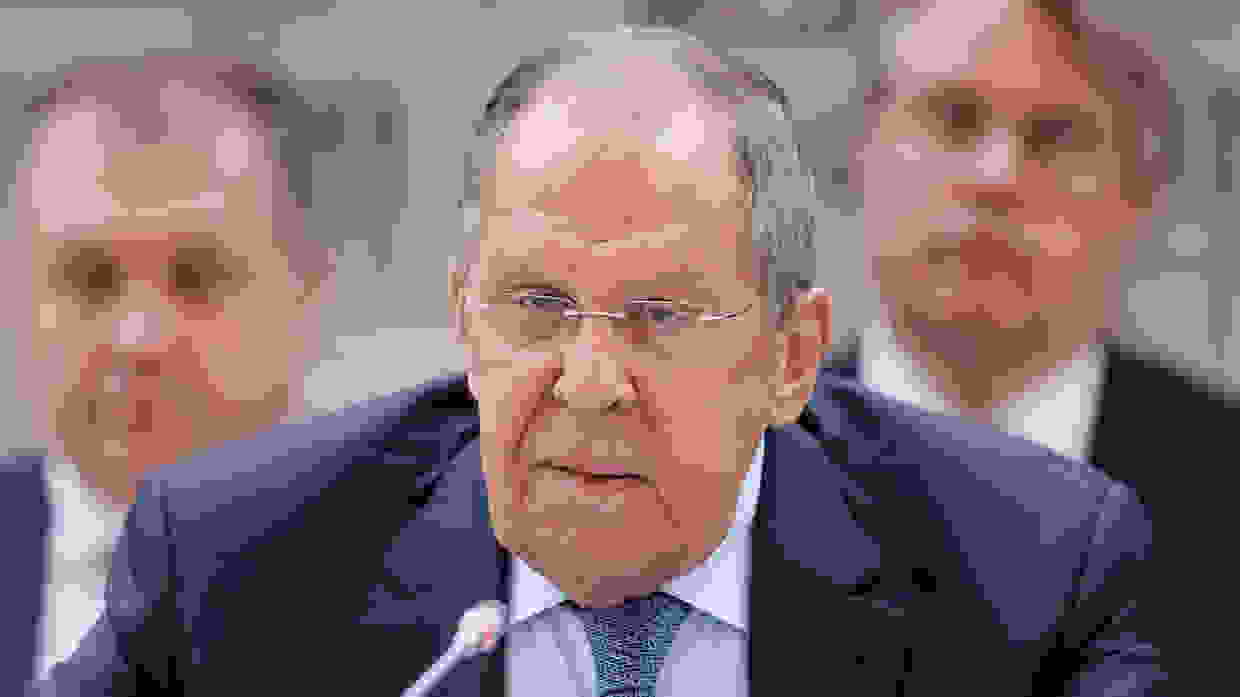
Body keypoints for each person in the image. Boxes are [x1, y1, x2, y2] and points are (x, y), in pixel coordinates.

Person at [38, 26, 1158, 696]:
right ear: (463, 319)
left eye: (658, 315)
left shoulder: (1028, 573)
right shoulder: (235, 565)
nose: (587, 381)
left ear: (791, 356)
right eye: (536, 307)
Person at [817, 0, 1234, 686]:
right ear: (861, 151)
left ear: (1138, 190)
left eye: (1054, 136)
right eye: (954, 117)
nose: (997, 176)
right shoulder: (731, 468)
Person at [0, 55, 334, 694]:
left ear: (306, 294)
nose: (140, 337)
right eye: (92, 279)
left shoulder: (445, 576)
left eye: (198, 278)